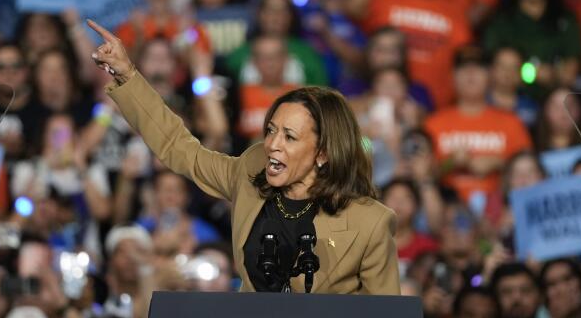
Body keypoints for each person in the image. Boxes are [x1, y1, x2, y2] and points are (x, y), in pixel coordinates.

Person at [87, 19, 400, 295]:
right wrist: (127, 74)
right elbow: (178, 147)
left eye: (289, 137)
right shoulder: (250, 176)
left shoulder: (370, 223)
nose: (272, 144)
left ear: (322, 154)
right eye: (271, 130)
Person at [348, 0, 471, 108]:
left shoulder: (454, 11)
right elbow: (352, 7)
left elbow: (462, 58)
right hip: (375, 93)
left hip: (432, 104)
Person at [424, 46, 532, 203]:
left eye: (478, 68)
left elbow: (531, 175)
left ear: (489, 76)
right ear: (452, 77)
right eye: (463, 68)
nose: (471, 74)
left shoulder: (512, 123)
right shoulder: (432, 124)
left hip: (501, 209)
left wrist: (498, 163)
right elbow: (421, 177)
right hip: (447, 208)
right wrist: (450, 163)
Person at [483, 0, 581, 92]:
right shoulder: (501, 22)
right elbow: (495, 73)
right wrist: (532, 73)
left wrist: (524, 71)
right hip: (513, 101)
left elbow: (569, 74)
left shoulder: (566, 19)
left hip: (557, 101)